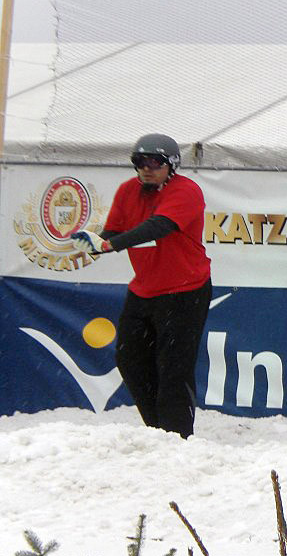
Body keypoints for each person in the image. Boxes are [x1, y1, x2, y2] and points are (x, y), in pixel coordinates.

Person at [71, 133, 211, 439]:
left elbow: (158, 227)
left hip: (185, 291)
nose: (146, 168)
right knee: (129, 360)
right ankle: (157, 431)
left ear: (171, 165)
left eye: (155, 162)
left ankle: (177, 439)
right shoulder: (126, 191)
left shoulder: (186, 191)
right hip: (144, 290)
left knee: (174, 369)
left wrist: (111, 244)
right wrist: (97, 243)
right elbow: (114, 232)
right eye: (139, 162)